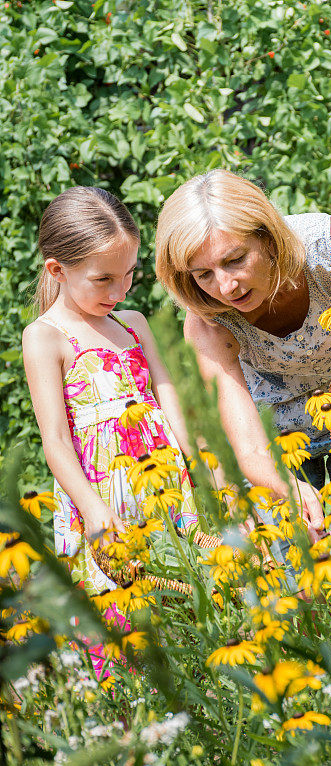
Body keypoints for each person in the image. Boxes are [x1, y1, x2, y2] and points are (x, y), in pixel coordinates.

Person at [155, 170, 331, 533]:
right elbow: (248, 444)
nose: (225, 286)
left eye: (235, 259)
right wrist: (288, 488)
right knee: (305, 571)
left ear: (267, 238)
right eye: (203, 274)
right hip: (279, 446)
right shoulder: (206, 319)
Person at [22, 186, 200, 596]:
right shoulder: (45, 337)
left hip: (166, 485)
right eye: (103, 279)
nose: (119, 292)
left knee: (190, 596)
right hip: (103, 497)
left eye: (129, 273)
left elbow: (167, 396)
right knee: (127, 608)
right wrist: (94, 511)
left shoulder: (133, 323)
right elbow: (56, 441)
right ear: (57, 270)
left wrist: (205, 464)